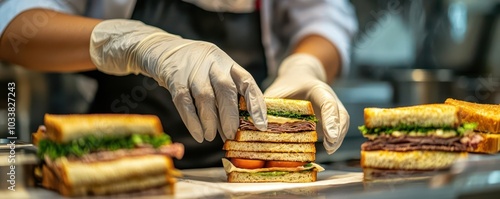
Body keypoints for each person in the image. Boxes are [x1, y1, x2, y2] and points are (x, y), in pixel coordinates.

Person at [0, 0, 357, 169]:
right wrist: (127, 42)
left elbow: (325, 19)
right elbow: (17, 25)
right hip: (116, 166)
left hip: (243, 170)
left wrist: (306, 65)